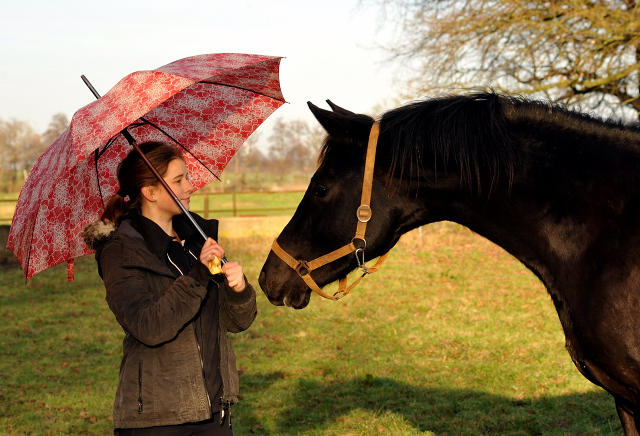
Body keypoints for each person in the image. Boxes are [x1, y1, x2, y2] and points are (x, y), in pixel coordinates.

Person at [82, 141, 257, 435]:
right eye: (179, 180)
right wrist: (199, 275)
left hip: (214, 410)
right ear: (150, 192)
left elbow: (236, 322)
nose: (190, 186)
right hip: (157, 417)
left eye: (187, 177)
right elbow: (149, 325)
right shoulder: (121, 252)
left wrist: (239, 291)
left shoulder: (197, 241)